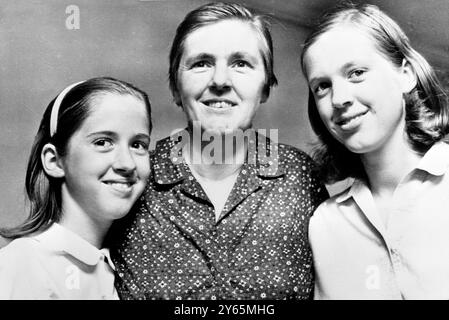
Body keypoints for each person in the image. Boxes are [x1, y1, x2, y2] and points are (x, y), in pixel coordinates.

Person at [110, 2, 328, 300]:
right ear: (175, 86)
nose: (220, 81)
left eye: (241, 63)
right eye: (201, 63)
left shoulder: (301, 179)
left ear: (265, 87)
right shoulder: (132, 179)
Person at [301, 3, 449, 299]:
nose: (339, 98)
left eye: (356, 73)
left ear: (405, 75)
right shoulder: (326, 225)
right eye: (322, 86)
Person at [0, 77, 152, 299]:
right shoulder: (24, 263)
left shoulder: (125, 270)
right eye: (102, 142)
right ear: (54, 161)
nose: (127, 163)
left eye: (138, 145)